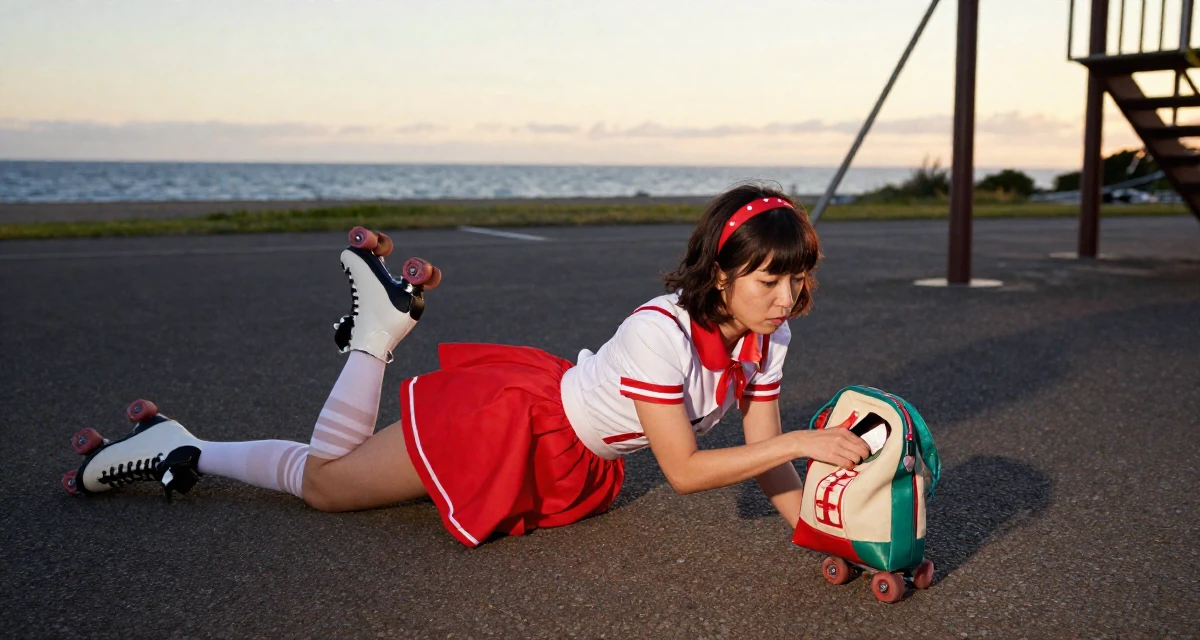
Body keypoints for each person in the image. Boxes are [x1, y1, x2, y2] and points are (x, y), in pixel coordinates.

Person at [63, 182, 871, 547]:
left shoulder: (769, 334)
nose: (789, 294)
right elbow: (689, 470)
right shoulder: (660, 333)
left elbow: (763, 448)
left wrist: (821, 536)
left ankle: (373, 335)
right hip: (510, 417)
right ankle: (188, 446)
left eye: (800, 277)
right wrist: (804, 445)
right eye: (772, 278)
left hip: (569, 452)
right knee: (325, 487)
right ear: (722, 274)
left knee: (333, 470)